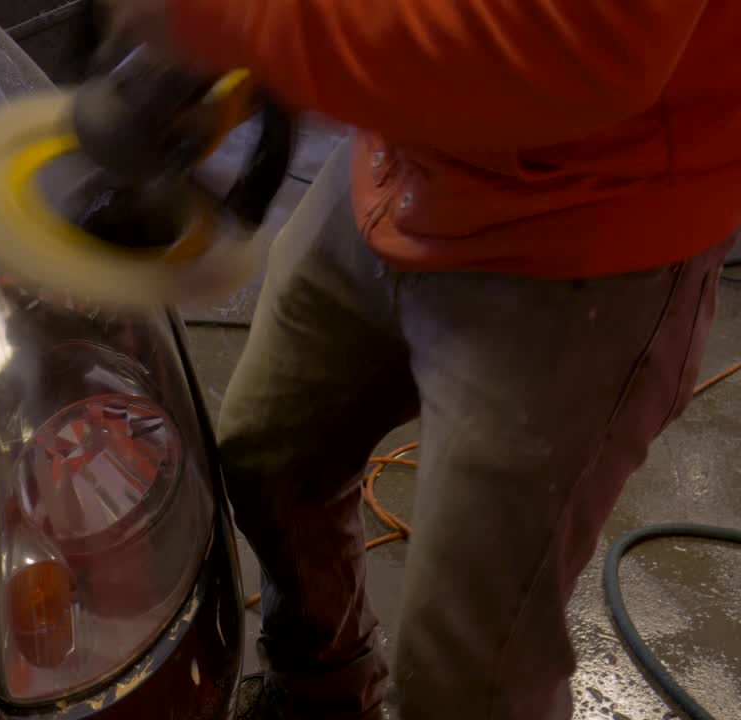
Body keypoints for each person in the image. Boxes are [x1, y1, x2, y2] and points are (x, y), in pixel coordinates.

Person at [103, 1, 741, 718]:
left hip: (586, 228)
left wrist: (239, 23)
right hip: (400, 156)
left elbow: (584, 52)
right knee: (268, 457)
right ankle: (326, 693)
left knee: (469, 677)